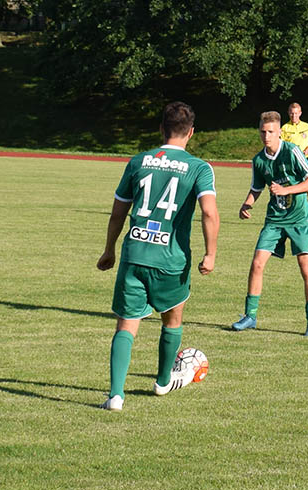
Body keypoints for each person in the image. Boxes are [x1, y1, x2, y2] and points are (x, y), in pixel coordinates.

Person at [97, 101, 219, 411]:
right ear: (191, 132)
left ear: (160, 129)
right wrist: (210, 254)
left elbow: (117, 212)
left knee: (126, 325)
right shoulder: (199, 167)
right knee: (172, 318)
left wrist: (110, 249)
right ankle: (164, 381)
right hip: (170, 259)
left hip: (135, 253)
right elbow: (208, 212)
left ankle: (115, 396)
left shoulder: (139, 161)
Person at [231, 110, 308, 337]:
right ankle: (250, 316)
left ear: (280, 131)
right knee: (257, 262)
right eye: (263, 131)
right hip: (275, 218)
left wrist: (286, 189)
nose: (266, 136)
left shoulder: (292, 152)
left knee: (305, 266)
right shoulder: (258, 160)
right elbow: (256, 187)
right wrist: (246, 204)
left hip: (299, 217)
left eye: (270, 131)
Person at [281, 102, 308, 205]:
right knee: (290, 188)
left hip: (304, 161)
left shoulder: (307, 127)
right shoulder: (284, 129)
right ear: (288, 113)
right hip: (290, 162)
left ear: (300, 113)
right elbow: (281, 146)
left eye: (296, 113)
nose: (294, 116)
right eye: (292, 113)